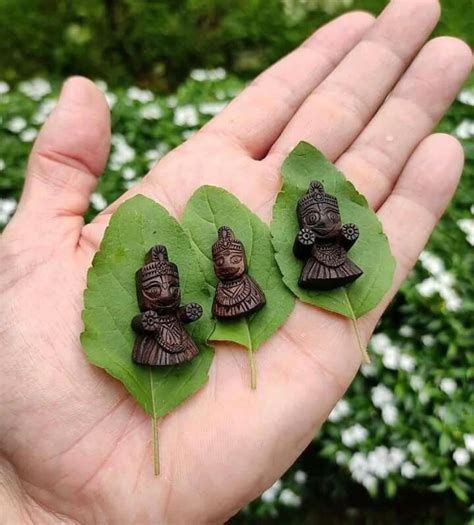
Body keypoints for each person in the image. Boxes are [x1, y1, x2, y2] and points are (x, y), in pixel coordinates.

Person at [0, 0, 472, 522]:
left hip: (298, 277)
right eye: (153, 288)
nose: (223, 258)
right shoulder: (155, 307)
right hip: (175, 343)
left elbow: (289, 250)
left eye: (232, 253)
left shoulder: (305, 237)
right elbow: (150, 313)